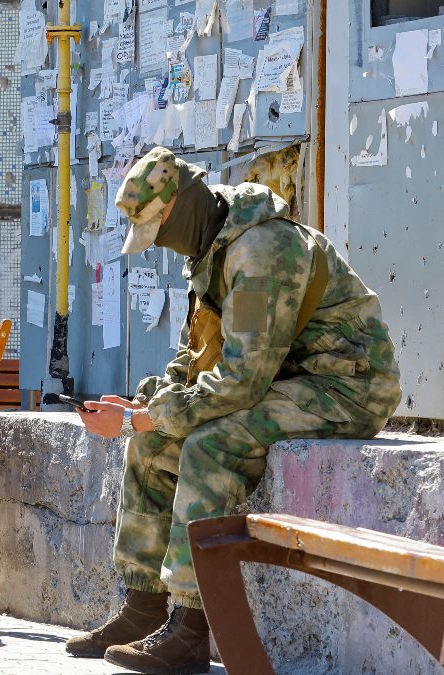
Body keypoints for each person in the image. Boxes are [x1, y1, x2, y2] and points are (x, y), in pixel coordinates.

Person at [64, 146, 402, 674]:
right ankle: (142, 607)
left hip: (345, 387)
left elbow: (242, 382)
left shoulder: (262, 251)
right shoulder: (210, 251)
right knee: (152, 443)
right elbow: (198, 355)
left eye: (159, 227)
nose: (162, 245)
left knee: (208, 446)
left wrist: (140, 417)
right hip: (283, 381)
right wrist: (148, 405)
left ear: (181, 206)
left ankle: (191, 627)